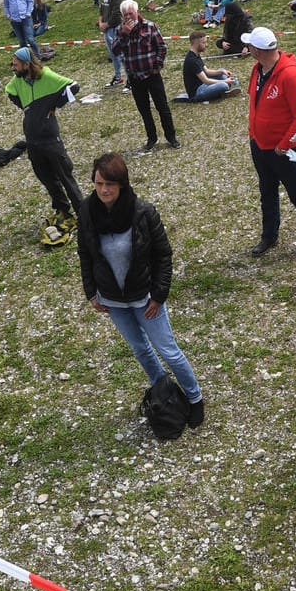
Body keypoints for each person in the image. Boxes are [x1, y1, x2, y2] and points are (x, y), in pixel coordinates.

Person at [76, 152, 206, 425]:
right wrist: (90, 292)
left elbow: (163, 255)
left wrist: (158, 295)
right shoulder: (87, 211)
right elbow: (85, 254)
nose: (104, 190)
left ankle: (195, 398)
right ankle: (164, 389)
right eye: (98, 184)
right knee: (140, 349)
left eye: (109, 184)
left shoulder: (143, 212)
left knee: (167, 349)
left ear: (122, 183)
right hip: (113, 301)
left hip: (145, 300)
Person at [242, 26, 296, 260]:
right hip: (260, 146)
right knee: (267, 192)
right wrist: (253, 136)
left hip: (285, 151)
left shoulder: (289, 75)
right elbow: (254, 104)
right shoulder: (257, 70)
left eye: (250, 46)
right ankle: (269, 235)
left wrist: (285, 144)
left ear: (257, 50)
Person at [7, 47, 83, 236]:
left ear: (27, 64)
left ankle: (83, 214)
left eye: (16, 65)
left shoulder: (47, 76)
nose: (13, 68)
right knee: (47, 179)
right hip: (32, 141)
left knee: (65, 176)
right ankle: (62, 211)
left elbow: (74, 86)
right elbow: (10, 93)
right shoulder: (17, 81)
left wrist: (55, 104)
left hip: (50, 139)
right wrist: (28, 109)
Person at [113, 0, 181, 155]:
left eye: (130, 13)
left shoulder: (150, 26)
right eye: (125, 15)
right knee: (144, 110)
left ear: (137, 12)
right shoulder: (120, 30)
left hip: (152, 75)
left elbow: (162, 47)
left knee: (162, 107)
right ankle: (152, 138)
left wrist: (157, 66)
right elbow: (115, 51)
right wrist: (124, 34)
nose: (128, 17)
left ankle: (171, 137)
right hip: (135, 77)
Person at [180, 30, 237, 103]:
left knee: (222, 71)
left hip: (203, 85)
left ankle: (222, 90)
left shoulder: (196, 55)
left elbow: (207, 71)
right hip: (197, 92)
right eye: (204, 42)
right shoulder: (192, 60)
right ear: (196, 43)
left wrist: (221, 71)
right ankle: (223, 90)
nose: (206, 45)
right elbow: (206, 80)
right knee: (224, 85)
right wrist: (225, 81)